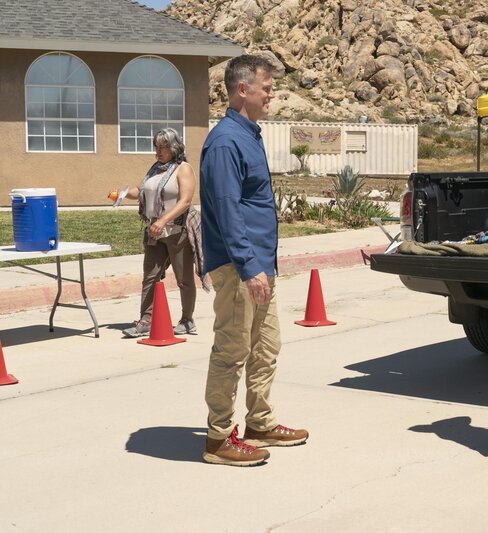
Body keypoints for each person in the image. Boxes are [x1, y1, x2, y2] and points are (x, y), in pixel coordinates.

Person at [200, 55, 308, 467]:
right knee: (232, 350)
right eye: (267, 88)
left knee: (265, 347)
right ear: (243, 90)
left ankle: (260, 423)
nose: (272, 95)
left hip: (260, 265)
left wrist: (260, 266)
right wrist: (248, 267)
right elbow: (228, 209)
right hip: (240, 267)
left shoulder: (248, 135)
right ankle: (218, 438)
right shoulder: (226, 141)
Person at [116, 128, 203, 338]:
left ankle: (187, 320)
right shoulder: (155, 169)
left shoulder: (183, 169)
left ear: (174, 147)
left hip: (178, 231)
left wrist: (163, 220)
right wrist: (123, 194)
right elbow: (142, 191)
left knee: (184, 279)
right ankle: (146, 320)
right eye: (156, 147)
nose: (158, 151)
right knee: (150, 277)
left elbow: (185, 201)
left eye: (162, 147)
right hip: (155, 233)